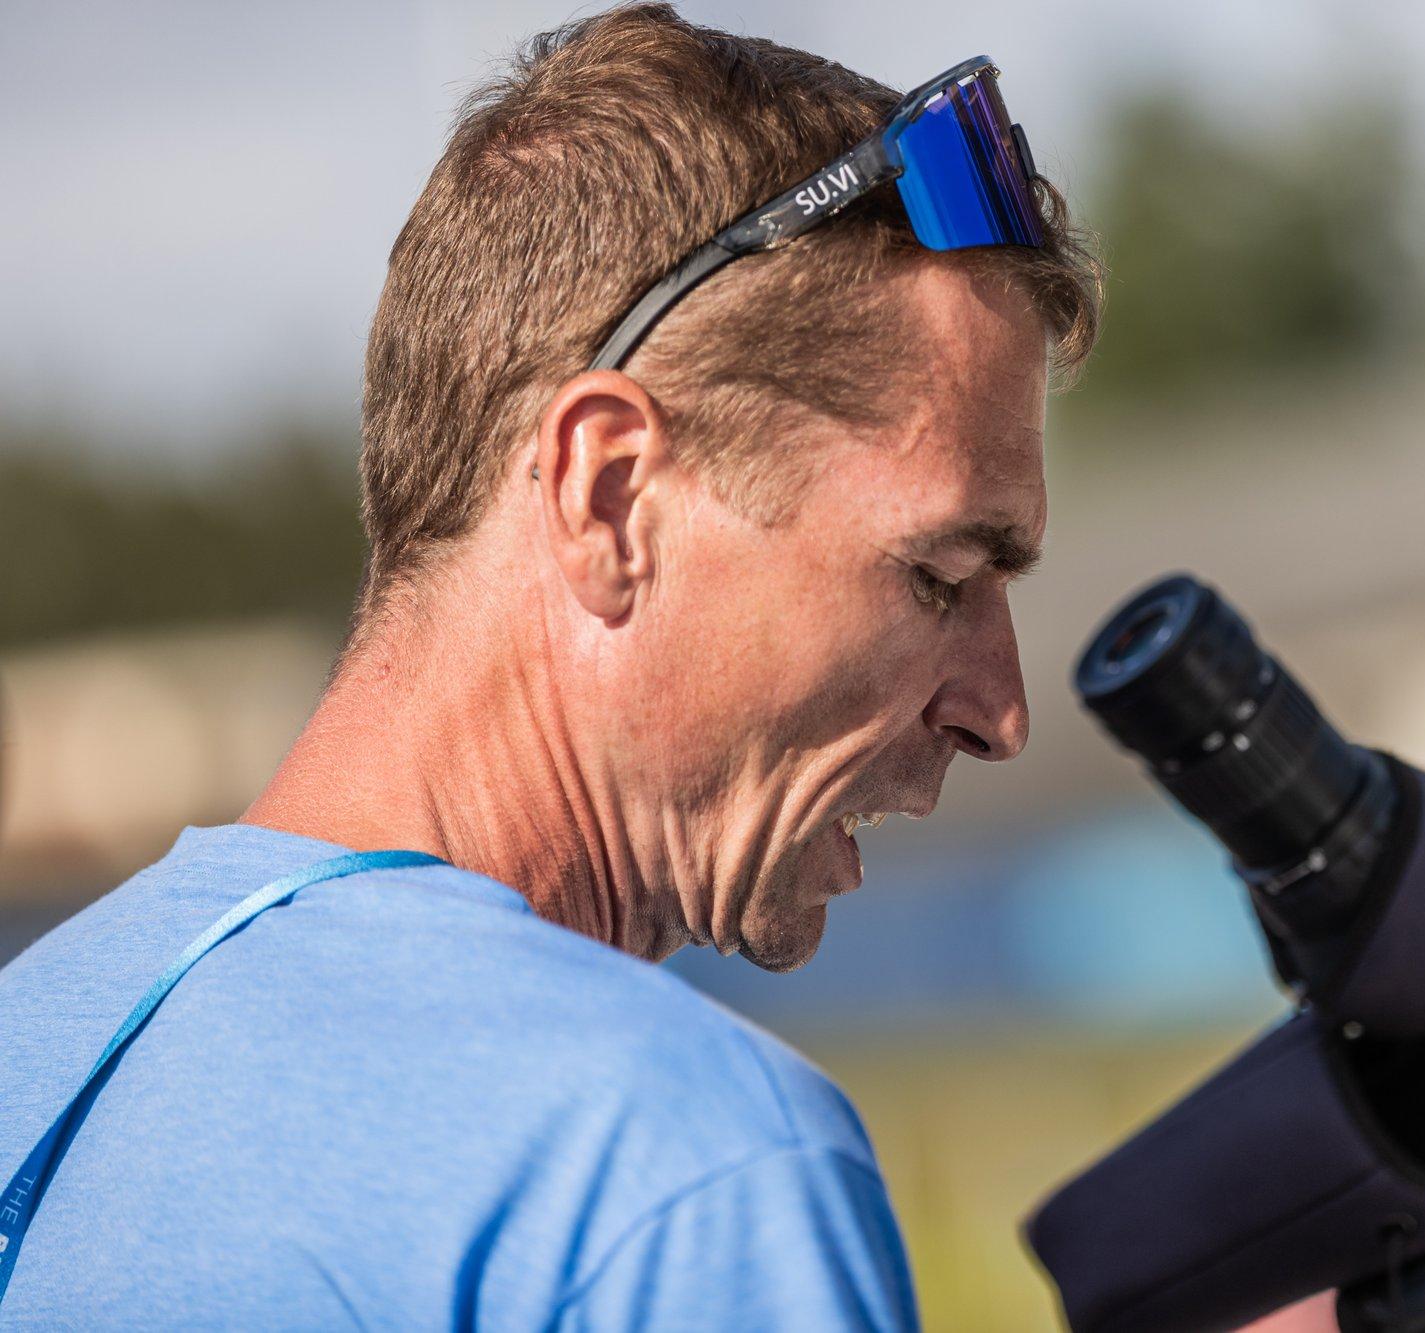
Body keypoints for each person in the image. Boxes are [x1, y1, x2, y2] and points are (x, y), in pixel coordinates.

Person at [0, 5, 1097, 1326]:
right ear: (607, 493)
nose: (1003, 712)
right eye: (938, 575)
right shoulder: (678, 1160)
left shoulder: (34, 1049)